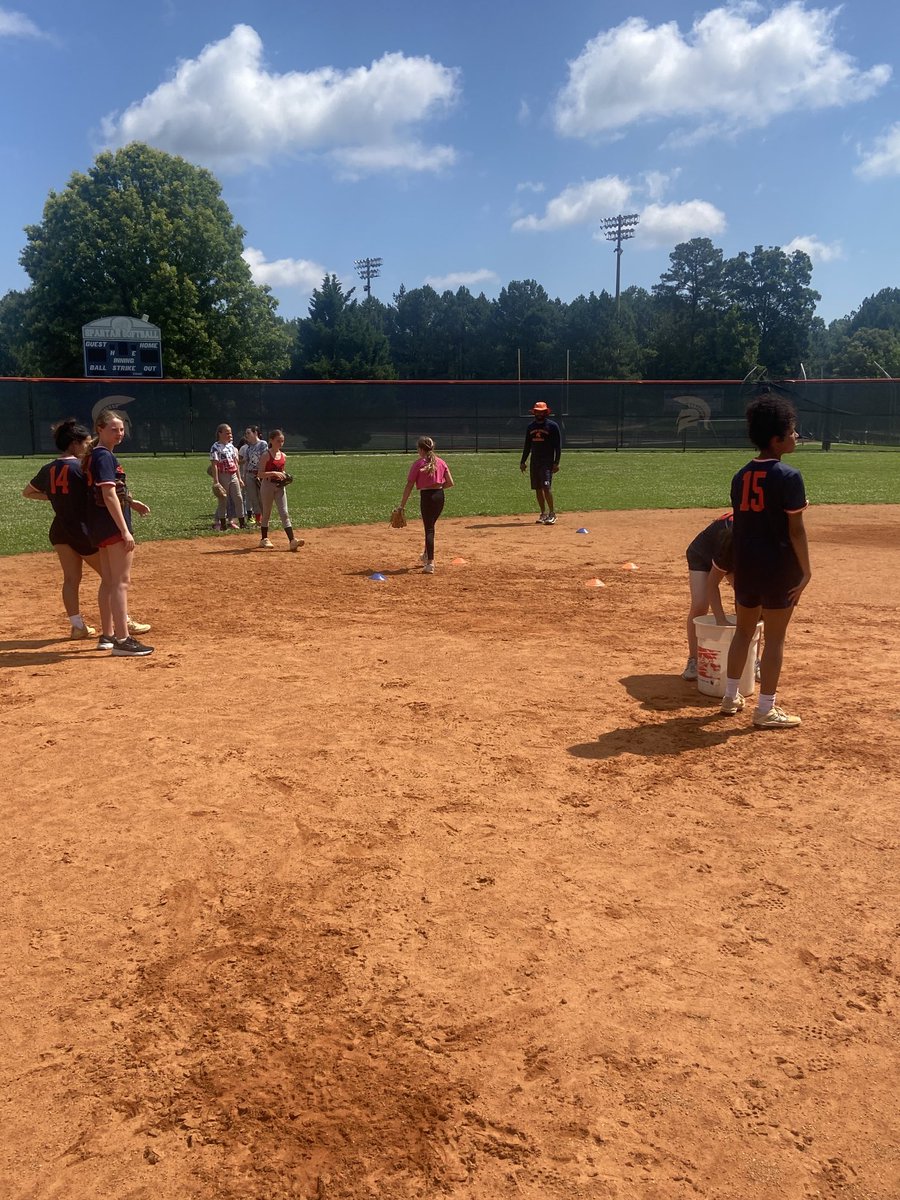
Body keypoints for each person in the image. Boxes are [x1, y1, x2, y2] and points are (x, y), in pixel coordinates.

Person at [719, 389, 811, 728]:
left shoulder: (740, 475)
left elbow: (739, 525)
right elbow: (796, 531)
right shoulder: (789, 476)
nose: (796, 435)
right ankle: (765, 709)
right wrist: (806, 571)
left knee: (743, 632)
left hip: (746, 566)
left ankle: (730, 696)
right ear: (776, 440)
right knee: (774, 639)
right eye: (791, 431)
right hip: (778, 569)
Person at [85, 409, 154, 657]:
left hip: (100, 525)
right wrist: (125, 530)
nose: (119, 433)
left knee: (109, 582)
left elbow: (112, 491)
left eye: (122, 429)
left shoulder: (97, 455)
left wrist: (132, 503)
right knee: (120, 583)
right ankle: (123, 639)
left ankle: (108, 635)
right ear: (99, 429)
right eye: (113, 429)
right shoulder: (104, 456)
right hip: (112, 525)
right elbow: (108, 493)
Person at [682, 512, 734, 680]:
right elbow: (712, 583)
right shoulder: (732, 535)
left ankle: (752, 660)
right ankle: (694, 659)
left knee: (750, 602)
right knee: (700, 604)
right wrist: (720, 619)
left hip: (729, 554)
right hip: (702, 554)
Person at [397, 435, 454, 574]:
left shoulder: (418, 464)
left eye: (418, 448)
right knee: (431, 526)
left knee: (429, 529)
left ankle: (430, 564)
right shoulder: (441, 462)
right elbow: (450, 483)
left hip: (427, 497)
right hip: (440, 497)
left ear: (421, 449)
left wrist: (402, 505)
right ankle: (426, 554)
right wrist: (437, 488)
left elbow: (409, 485)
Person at [257, 429, 303, 551]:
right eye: (278, 441)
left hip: (279, 487)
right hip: (267, 485)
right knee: (267, 513)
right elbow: (260, 474)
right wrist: (273, 473)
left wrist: (285, 477)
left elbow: (282, 471)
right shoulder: (266, 455)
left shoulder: (283, 456)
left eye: (282, 441)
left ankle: (292, 541)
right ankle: (264, 539)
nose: (280, 443)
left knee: (284, 513)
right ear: (271, 440)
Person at [520, 401, 561, 523]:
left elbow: (557, 447)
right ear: (534, 412)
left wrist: (556, 462)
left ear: (545, 412)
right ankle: (543, 513)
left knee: (546, 487)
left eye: (541, 411)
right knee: (538, 488)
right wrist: (523, 461)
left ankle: (552, 513)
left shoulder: (552, 426)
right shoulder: (530, 427)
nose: (539, 413)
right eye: (537, 411)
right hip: (535, 462)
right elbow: (527, 445)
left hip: (547, 462)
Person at [209, 423, 245, 531]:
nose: (230, 435)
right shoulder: (215, 447)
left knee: (238, 497)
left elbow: (236, 463)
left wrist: (239, 478)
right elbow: (214, 465)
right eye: (227, 433)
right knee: (223, 499)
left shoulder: (231, 447)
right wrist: (216, 481)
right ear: (220, 433)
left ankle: (242, 522)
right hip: (223, 475)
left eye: (230, 433)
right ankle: (223, 523)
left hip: (233, 474)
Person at [239, 425, 268, 526]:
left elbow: (264, 459)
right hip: (249, 473)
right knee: (253, 497)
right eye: (246, 433)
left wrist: (261, 473)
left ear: (255, 433)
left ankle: (265, 518)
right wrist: (244, 475)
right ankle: (258, 519)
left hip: (259, 474)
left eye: (248, 433)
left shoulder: (262, 444)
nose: (246, 435)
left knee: (261, 497)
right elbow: (246, 461)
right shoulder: (248, 447)